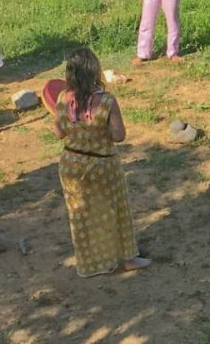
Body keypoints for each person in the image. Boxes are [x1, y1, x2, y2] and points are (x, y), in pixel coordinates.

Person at [53, 47, 151, 276]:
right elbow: (118, 135)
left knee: (81, 214)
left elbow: (59, 133)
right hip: (102, 164)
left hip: (71, 164)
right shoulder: (106, 100)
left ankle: (90, 262)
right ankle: (123, 258)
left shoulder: (61, 98)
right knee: (114, 211)